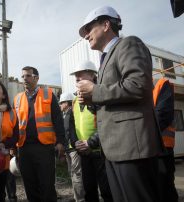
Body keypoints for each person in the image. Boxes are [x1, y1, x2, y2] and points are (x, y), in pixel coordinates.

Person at [76, 6, 163, 202]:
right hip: (114, 149)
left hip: (132, 147)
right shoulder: (106, 58)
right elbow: (114, 99)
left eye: (89, 28)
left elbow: (138, 85)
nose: (86, 35)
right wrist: (91, 99)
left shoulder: (129, 44)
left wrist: (95, 91)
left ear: (106, 24)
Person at [13, 66, 65, 202]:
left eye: (28, 76)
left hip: (44, 147)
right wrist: (13, 146)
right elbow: (14, 124)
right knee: (30, 186)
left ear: (36, 78)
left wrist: (60, 142)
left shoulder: (48, 94)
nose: (24, 79)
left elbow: (58, 120)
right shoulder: (17, 99)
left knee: (46, 185)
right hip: (24, 148)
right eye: (23, 76)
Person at [70, 61, 113, 202]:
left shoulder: (102, 94)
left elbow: (108, 123)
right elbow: (72, 125)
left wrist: (91, 143)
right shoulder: (75, 100)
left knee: (107, 190)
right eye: (75, 76)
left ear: (92, 75)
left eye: (80, 75)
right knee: (89, 190)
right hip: (84, 152)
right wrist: (76, 143)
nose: (77, 78)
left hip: (101, 152)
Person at [153, 77, 178, 202]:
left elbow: (162, 116)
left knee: (165, 189)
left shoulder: (161, 84)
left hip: (163, 148)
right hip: (145, 150)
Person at [59, 92, 85, 202]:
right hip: (68, 148)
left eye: (61, 102)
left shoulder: (72, 113)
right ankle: (77, 197)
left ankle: (80, 199)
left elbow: (71, 131)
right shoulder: (64, 115)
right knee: (73, 173)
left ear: (68, 103)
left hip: (74, 148)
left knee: (76, 174)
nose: (60, 105)